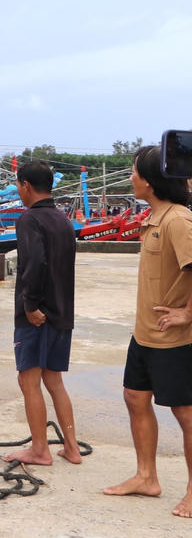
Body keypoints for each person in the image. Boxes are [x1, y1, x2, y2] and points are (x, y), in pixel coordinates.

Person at [104, 145, 192, 518]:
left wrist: (187, 313)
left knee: (185, 413)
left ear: (150, 182)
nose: (131, 178)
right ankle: (146, 477)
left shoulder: (178, 220)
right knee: (135, 397)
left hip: (175, 340)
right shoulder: (155, 217)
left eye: (134, 172)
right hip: (144, 334)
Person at [3, 161, 81, 465]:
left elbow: (34, 263)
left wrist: (30, 305)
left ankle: (39, 449)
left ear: (25, 185)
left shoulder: (29, 220)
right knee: (54, 380)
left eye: (18, 185)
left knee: (28, 380)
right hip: (62, 311)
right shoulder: (64, 220)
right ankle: (71, 447)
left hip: (37, 315)